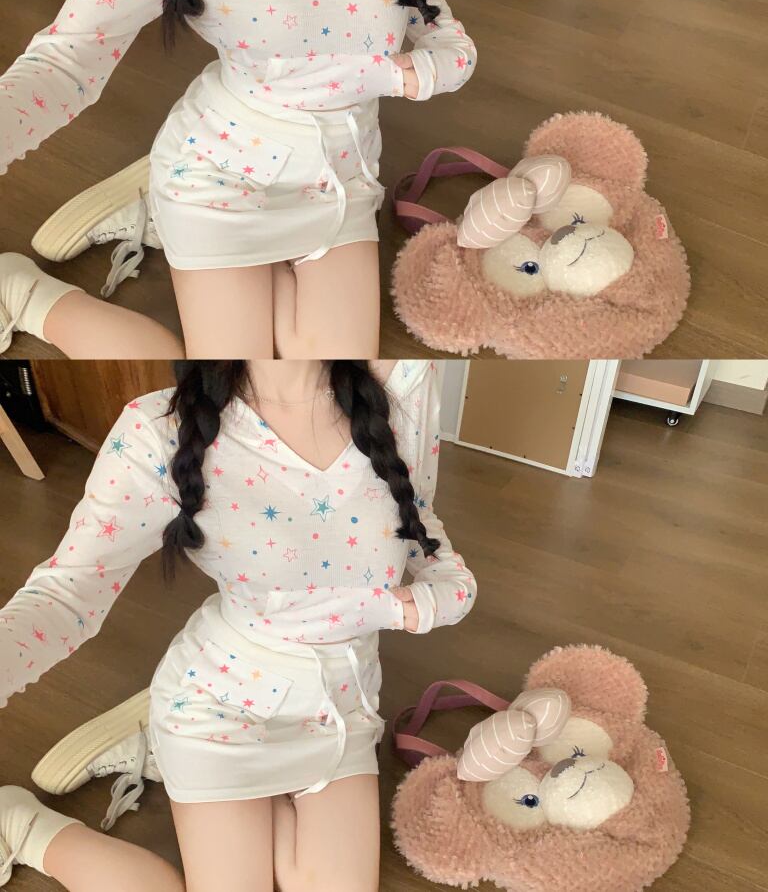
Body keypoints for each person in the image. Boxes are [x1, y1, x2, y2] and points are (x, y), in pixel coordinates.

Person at [0, 358, 476, 892]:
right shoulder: (157, 430)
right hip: (219, 707)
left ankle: (165, 750)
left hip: (342, 709)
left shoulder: (404, 380)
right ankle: (22, 826)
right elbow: (65, 595)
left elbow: (418, 519)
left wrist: (431, 600)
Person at [0, 0, 476, 359]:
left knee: (330, 373)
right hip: (219, 175)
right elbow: (65, 63)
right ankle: (23, 292)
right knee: (210, 377)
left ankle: (158, 208)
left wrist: (436, 64)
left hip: (344, 175)